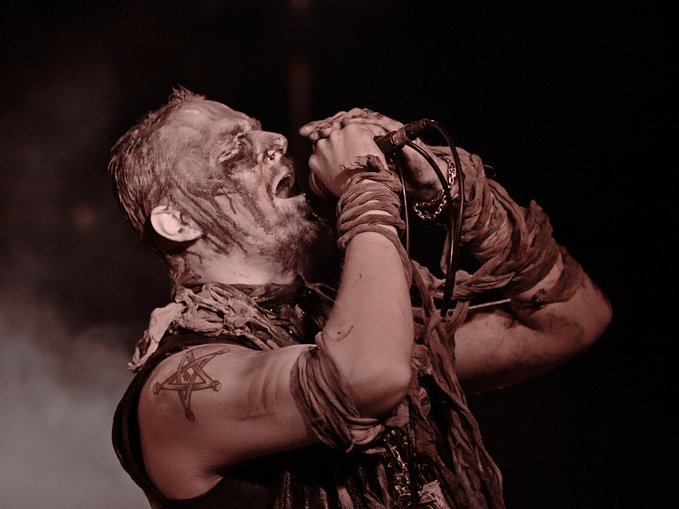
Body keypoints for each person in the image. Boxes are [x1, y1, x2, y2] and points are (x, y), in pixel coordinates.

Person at [109, 86, 611, 509]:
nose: (276, 140)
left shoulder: (335, 321)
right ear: (178, 222)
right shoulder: (173, 391)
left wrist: (462, 197)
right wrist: (364, 186)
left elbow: (572, 321)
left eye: (259, 129)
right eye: (234, 146)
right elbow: (368, 378)